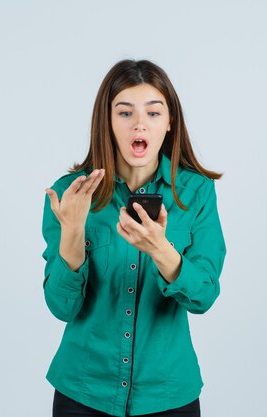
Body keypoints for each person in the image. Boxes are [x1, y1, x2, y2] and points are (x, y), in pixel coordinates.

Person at [41, 59, 227, 417]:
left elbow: (203, 296)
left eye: (153, 113)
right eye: (124, 113)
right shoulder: (71, 195)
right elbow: (61, 307)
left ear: (170, 122)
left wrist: (160, 248)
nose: (139, 123)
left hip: (168, 394)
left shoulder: (197, 192)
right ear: (107, 122)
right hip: (83, 393)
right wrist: (73, 232)